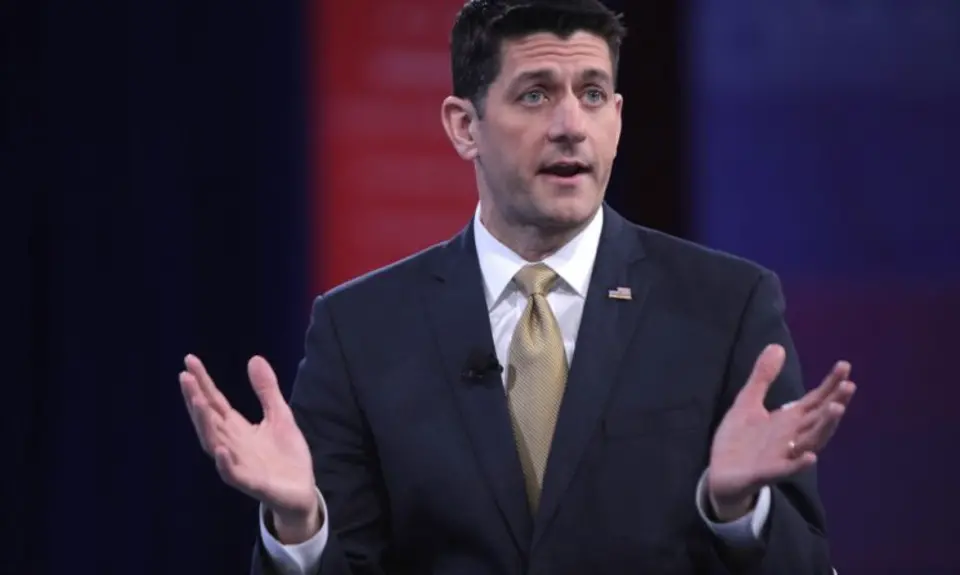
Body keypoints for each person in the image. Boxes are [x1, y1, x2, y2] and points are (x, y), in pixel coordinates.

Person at [180, 0, 856, 573]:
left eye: (593, 94)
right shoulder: (360, 330)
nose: (571, 125)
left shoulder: (725, 308)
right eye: (535, 94)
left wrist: (738, 510)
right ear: (464, 127)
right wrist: (299, 525)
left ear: (618, 118)